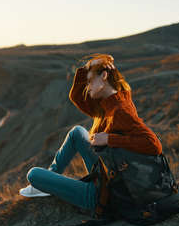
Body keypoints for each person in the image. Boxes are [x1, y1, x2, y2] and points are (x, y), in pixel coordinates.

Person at [19, 53, 163, 213]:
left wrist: (109, 139)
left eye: (90, 81)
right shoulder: (110, 102)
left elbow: (153, 144)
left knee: (33, 174)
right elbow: (76, 97)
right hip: (106, 173)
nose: (87, 87)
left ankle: (46, 184)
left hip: (105, 195)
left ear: (104, 76)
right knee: (77, 132)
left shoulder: (120, 111)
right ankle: (48, 182)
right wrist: (88, 67)